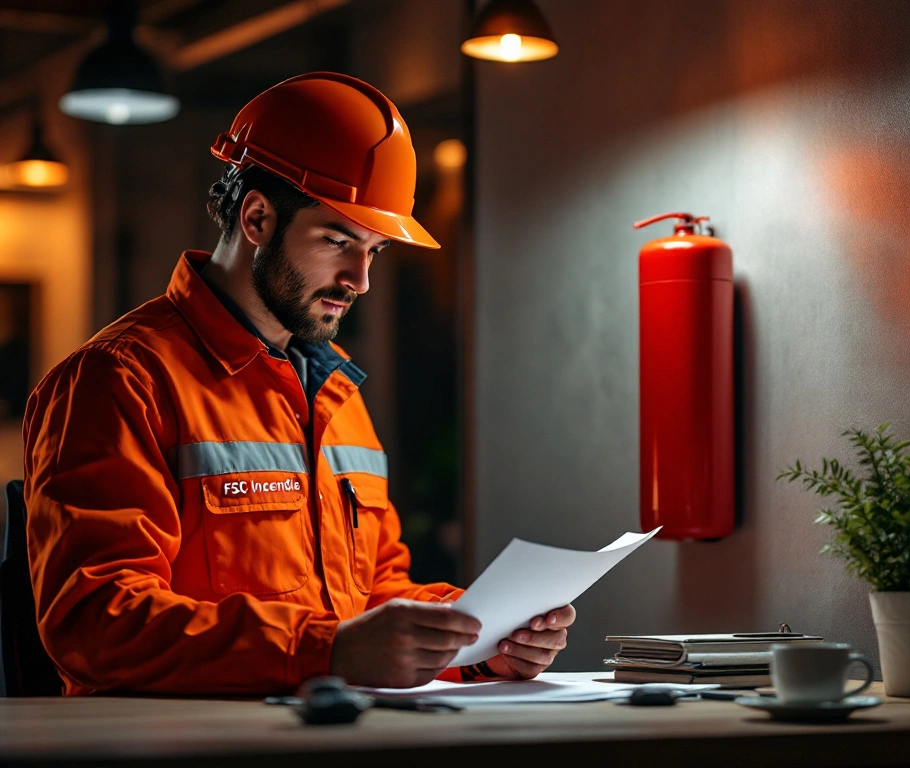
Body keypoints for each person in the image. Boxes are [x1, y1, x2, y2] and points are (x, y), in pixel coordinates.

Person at [22, 72, 574, 696]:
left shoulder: (337, 395)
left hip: (324, 731)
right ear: (256, 217)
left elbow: (373, 592)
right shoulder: (121, 379)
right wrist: (325, 651)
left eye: (374, 251)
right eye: (338, 241)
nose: (358, 279)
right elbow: (96, 621)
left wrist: (482, 639)